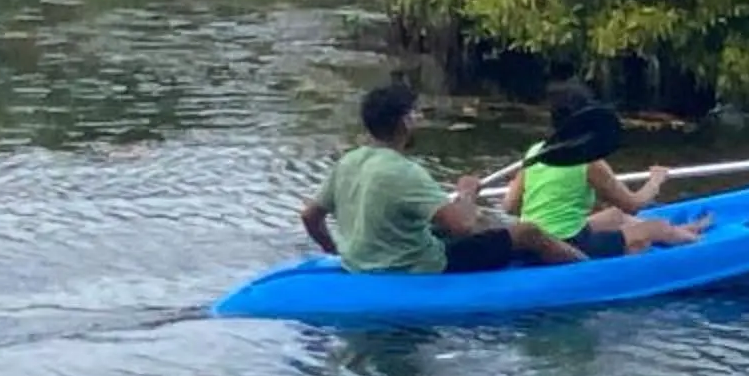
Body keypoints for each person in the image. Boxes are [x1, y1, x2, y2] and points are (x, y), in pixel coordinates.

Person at [301, 84, 585, 275]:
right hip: (422, 266)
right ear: (404, 122)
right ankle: (590, 272)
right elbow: (464, 226)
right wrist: (467, 193)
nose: (419, 120)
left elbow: (310, 217)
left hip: (362, 262)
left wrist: (337, 251)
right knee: (528, 232)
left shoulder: (348, 161)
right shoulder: (404, 172)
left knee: (488, 226)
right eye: (416, 114)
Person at [501, 83, 711, 257]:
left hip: (536, 242)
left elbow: (509, 206)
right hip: (568, 244)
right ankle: (701, 245)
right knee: (655, 228)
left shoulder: (534, 152)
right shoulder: (588, 160)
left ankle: (683, 231)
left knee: (614, 216)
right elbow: (633, 205)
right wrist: (656, 180)